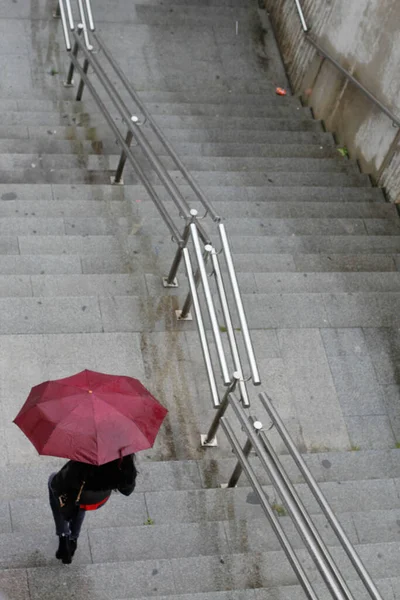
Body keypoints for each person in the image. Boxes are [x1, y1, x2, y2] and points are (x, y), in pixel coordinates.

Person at [48, 454, 137, 564]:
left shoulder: (85, 453)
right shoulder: (124, 454)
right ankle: (73, 538)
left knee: (53, 480)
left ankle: (63, 535)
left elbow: (60, 481)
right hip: (98, 499)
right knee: (81, 505)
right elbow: (127, 490)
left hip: (79, 493)